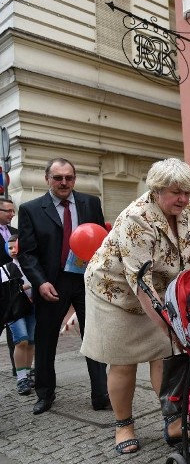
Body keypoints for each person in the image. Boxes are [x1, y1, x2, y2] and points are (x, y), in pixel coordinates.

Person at [80, 157, 190, 455]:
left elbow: (185, 242)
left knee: (165, 356)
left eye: (186, 191)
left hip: (158, 289)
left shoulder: (186, 206)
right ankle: (124, 425)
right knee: (124, 361)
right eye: (175, 192)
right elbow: (139, 283)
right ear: (157, 191)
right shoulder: (137, 219)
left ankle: (172, 421)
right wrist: (172, 328)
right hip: (115, 292)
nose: (183, 198)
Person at [18, 158, 109, 416]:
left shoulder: (90, 203)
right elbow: (27, 253)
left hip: (86, 282)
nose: (64, 182)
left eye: (69, 177)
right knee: (45, 341)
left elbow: (101, 242)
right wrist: (39, 281)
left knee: (94, 339)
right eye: (58, 178)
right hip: (51, 284)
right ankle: (45, 394)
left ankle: (101, 395)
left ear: (74, 179)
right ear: (47, 179)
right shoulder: (31, 209)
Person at [3, 234, 35, 395]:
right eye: (10, 247)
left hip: (33, 307)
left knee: (30, 341)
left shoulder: (33, 264)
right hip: (15, 310)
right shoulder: (5, 268)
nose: (13, 250)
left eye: (16, 246)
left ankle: (27, 373)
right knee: (21, 340)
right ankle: (21, 378)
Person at [0, 198, 18, 376]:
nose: (12, 214)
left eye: (13, 211)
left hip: (14, 289)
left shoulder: (16, 232)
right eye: (8, 211)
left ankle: (18, 368)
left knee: (16, 329)